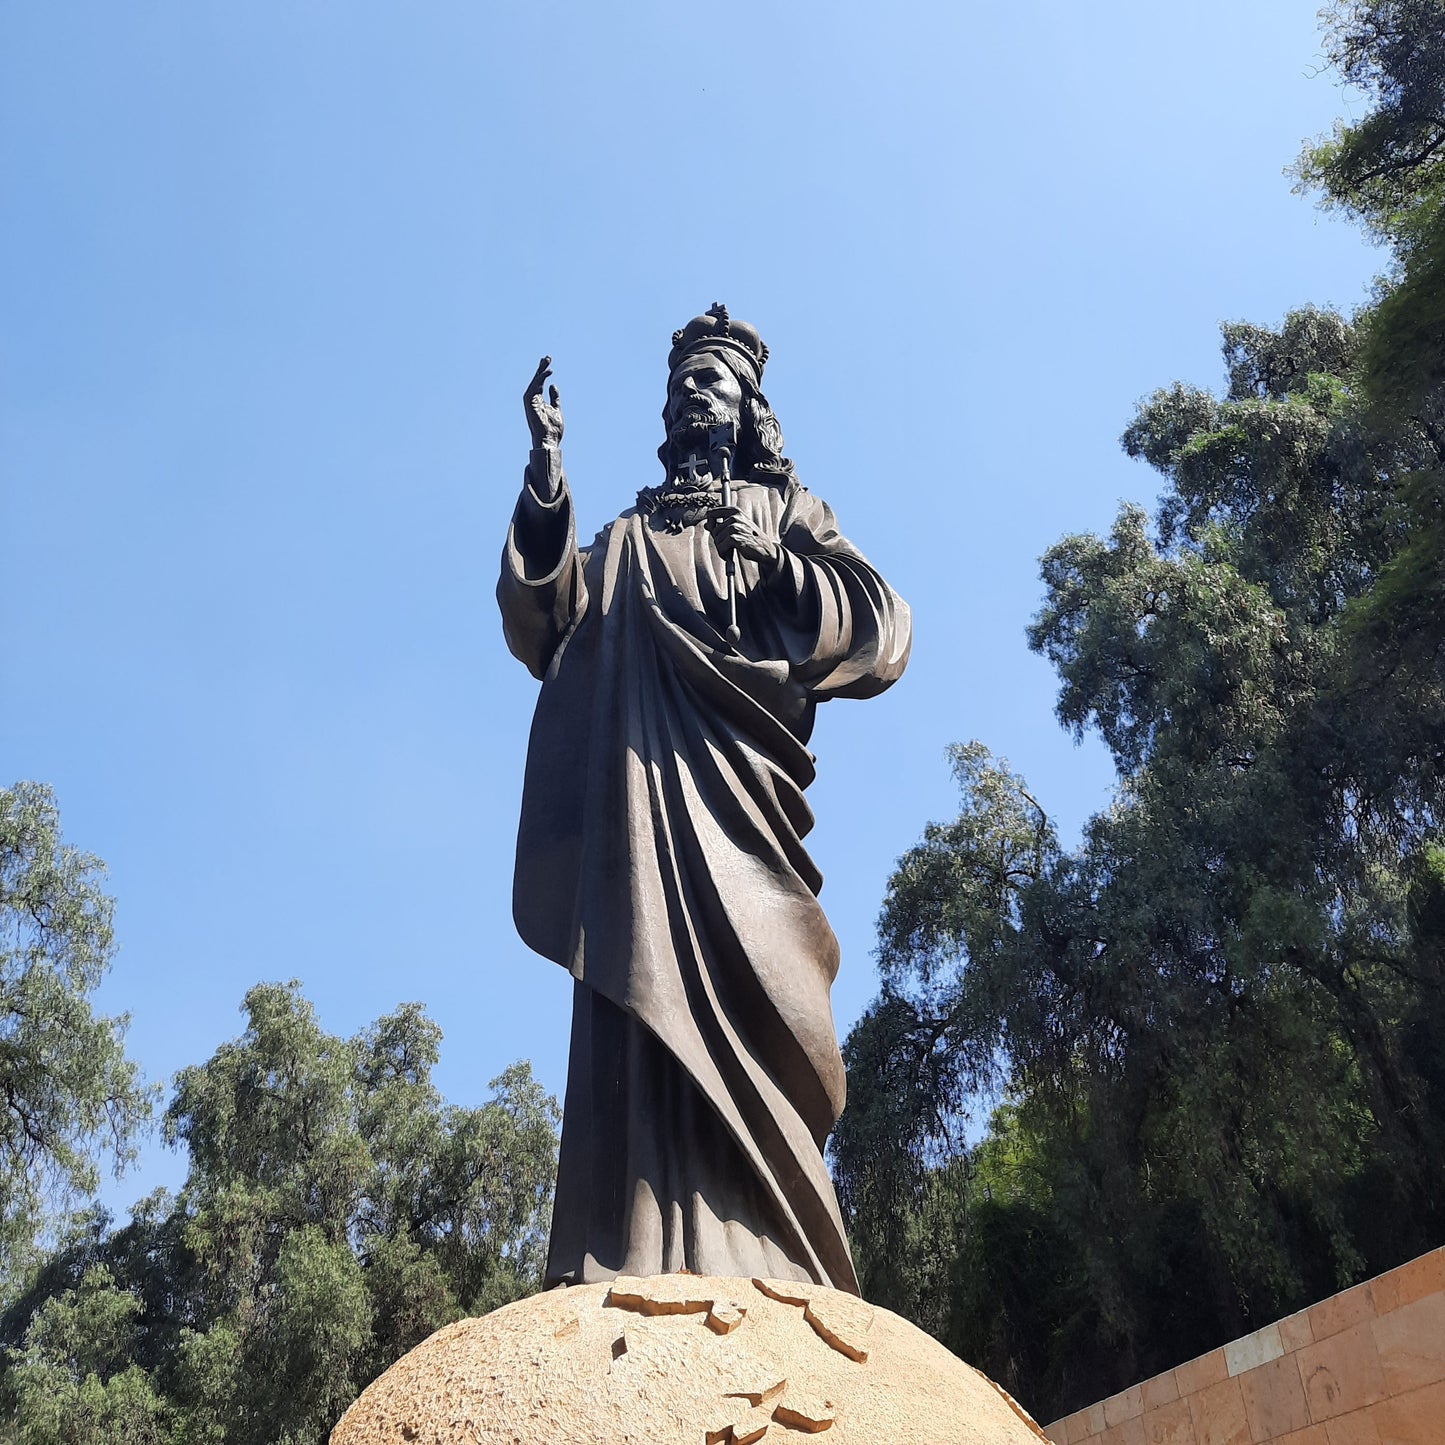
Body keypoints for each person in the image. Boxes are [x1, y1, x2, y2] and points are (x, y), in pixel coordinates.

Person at [498, 306, 910, 1293]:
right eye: (682, 378)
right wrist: (546, 478)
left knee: (753, 998)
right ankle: (629, 1234)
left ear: (745, 408)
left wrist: (775, 565)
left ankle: (769, 1243)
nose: (694, 390)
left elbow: (881, 628)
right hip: (636, 809)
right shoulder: (626, 535)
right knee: (636, 1006)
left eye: (714, 380)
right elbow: (544, 627)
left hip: (741, 808)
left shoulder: (784, 510)